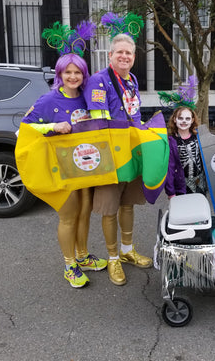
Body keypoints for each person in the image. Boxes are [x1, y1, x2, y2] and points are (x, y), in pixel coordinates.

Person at [21, 53, 108, 288]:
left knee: (85, 211)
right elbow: (24, 129)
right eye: (67, 72)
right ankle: (70, 265)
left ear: (84, 75)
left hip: (86, 166)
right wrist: (52, 126)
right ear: (59, 74)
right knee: (68, 216)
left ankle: (83, 256)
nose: (73, 76)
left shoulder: (86, 98)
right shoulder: (48, 100)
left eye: (77, 72)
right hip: (61, 168)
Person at [83, 33, 152, 286]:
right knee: (109, 209)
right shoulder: (99, 81)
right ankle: (113, 257)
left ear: (134, 58)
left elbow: (134, 114)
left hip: (132, 154)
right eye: (119, 52)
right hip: (110, 157)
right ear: (110, 55)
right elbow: (100, 124)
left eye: (129, 53)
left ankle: (127, 249)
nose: (124, 56)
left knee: (128, 204)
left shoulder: (131, 80)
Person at [165, 106, 207, 199]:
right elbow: (169, 168)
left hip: (200, 185)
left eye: (187, 118)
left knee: (199, 210)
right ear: (175, 119)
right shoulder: (171, 141)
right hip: (181, 187)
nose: (184, 121)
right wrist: (170, 192)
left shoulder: (198, 137)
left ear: (192, 120)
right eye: (180, 118)